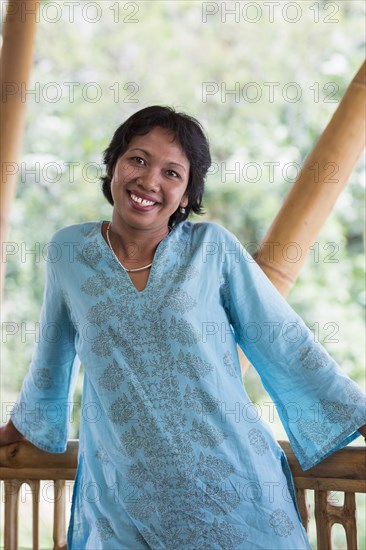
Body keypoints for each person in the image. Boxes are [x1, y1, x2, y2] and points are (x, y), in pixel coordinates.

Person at [1, 105, 365, 549]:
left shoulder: (212, 250)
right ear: (113, 164)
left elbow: (283, 340)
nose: (150, 181)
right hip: (125, 503)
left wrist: (360, 417)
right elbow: (51, 357)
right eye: (137, 159)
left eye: (172, 173)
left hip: (236, 493)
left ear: (189, 194)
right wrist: (18, 428)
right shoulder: (68, 252)